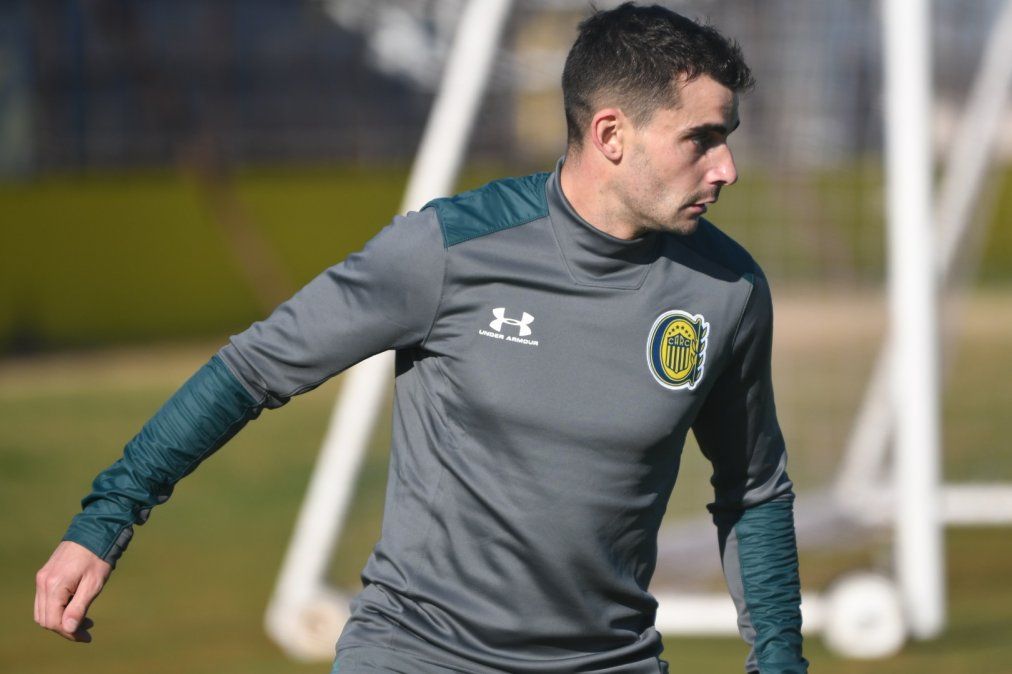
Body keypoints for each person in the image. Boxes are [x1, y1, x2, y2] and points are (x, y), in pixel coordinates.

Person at [34, 3, 808, 673]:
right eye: (701, 138)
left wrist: (778, 659)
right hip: (416, 653)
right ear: (611, 134)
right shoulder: (448, 251)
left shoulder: (726, 291)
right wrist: (106, 520)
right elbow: (252, 371)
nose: (727, 167)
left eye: (727, 137)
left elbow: (753, 489)